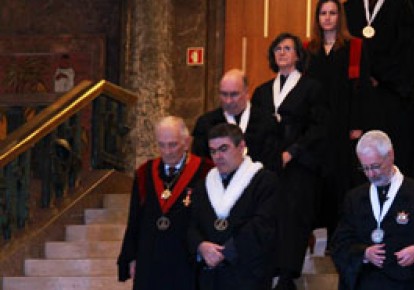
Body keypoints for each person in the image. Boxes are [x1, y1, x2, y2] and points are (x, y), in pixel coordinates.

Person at [330, 130, 414, 290]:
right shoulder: (354, 198)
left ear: (390, 155)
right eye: (365, 168)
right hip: (369, 282)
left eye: (375, 166)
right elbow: (340, 242)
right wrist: (364, 253)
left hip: (410, 282)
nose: (371, 174)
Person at [250, 32, 327, 289]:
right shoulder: (261, 92)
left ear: (297, 55)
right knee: (271, 216)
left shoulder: (311, 87)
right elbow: (254, 129)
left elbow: (318, 127)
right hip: (269, 165)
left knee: (294, 218)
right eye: (278, 49)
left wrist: (293, 152)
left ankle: (288, 273)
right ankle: (270, 267)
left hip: (299, 164)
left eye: (287, 48)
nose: (282, 53)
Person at [117, 116, 213, 290]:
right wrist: (131, 256)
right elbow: (135, 220)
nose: (167, 151)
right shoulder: (144, 173)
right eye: (161, 145)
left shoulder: (206, 172)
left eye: (173, 144)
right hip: (150, 258)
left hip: (186, 260)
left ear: (187, 142)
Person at [343, 0, 414, 180]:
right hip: (357, 96)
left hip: (392, 93)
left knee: (394, 148)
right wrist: (363, 76)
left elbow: (409, 51)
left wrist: (379, 76)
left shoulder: (403, 7)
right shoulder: (348, 8)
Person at [187, 123, 279, 290]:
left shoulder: (263, 181)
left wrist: (226, 252)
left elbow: (262, 225)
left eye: (224, 149)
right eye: (213, 151)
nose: (218, 156)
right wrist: (201, 246)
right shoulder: (203, 185)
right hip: (209, 277)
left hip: (247, 275)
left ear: (241, 146)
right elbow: (191, 224)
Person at [304, 0, 365, 242]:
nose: (327, 18)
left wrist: (357, 124)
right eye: (323, 13)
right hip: (316, 124)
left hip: (343, 123)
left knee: (341, 179)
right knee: (317, 179)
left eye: (332, 13)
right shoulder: (309, 48)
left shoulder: (354, 47)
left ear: (340, 17)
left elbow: (360, 89)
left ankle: (338, 236)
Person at [191, 69, 276, 163]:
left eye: (234, 94)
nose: (228, 101)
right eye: (224, 94)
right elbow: (200, 162)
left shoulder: (266, 121)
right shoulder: (206, 123)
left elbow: (273, 163)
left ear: (246, 93)